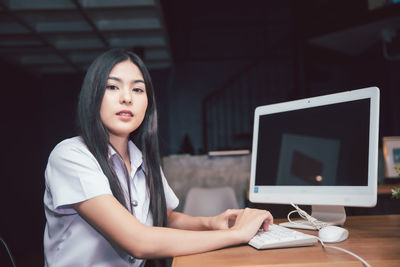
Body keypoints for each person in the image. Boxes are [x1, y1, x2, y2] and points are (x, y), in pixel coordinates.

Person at [43, 48, 273, 267]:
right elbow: (138, 242)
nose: (126, 98)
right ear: (92, 97)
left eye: (138, 89)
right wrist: (236, 235)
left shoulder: (140, 158)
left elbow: (165, 216)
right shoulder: (71, 155)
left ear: (147, 103)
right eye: (112, 87)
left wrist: (211, 223)